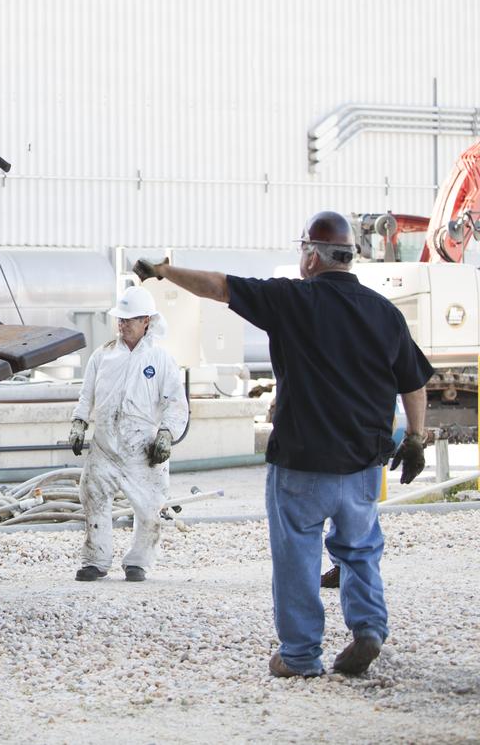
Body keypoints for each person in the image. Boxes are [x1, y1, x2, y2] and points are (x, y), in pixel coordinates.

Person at [134, 211, 432, 678]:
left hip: (301, 463)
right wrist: (415, 439)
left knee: (297, 556)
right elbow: (413, 383)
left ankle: (300, 656)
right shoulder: (385, 312)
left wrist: (164, 271)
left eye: (302, 249)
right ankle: (369, 627)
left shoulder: (291, 299)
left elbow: (218, 286)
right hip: (361, 467)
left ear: (312, 256)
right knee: (359, 548)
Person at [68, 285, 187, 583]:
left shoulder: (160, 359)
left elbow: (175, 401)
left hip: (143, 450)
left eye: (129, 319)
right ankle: (96, 560)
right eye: (120, 319)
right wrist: (79, 422)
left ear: (146, 320)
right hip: (106, 445)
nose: (122, 324)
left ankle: (138, 561)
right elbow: (87, 393)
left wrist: (166, 434)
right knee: (94, 496)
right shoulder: (103, 355)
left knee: (149, 508)